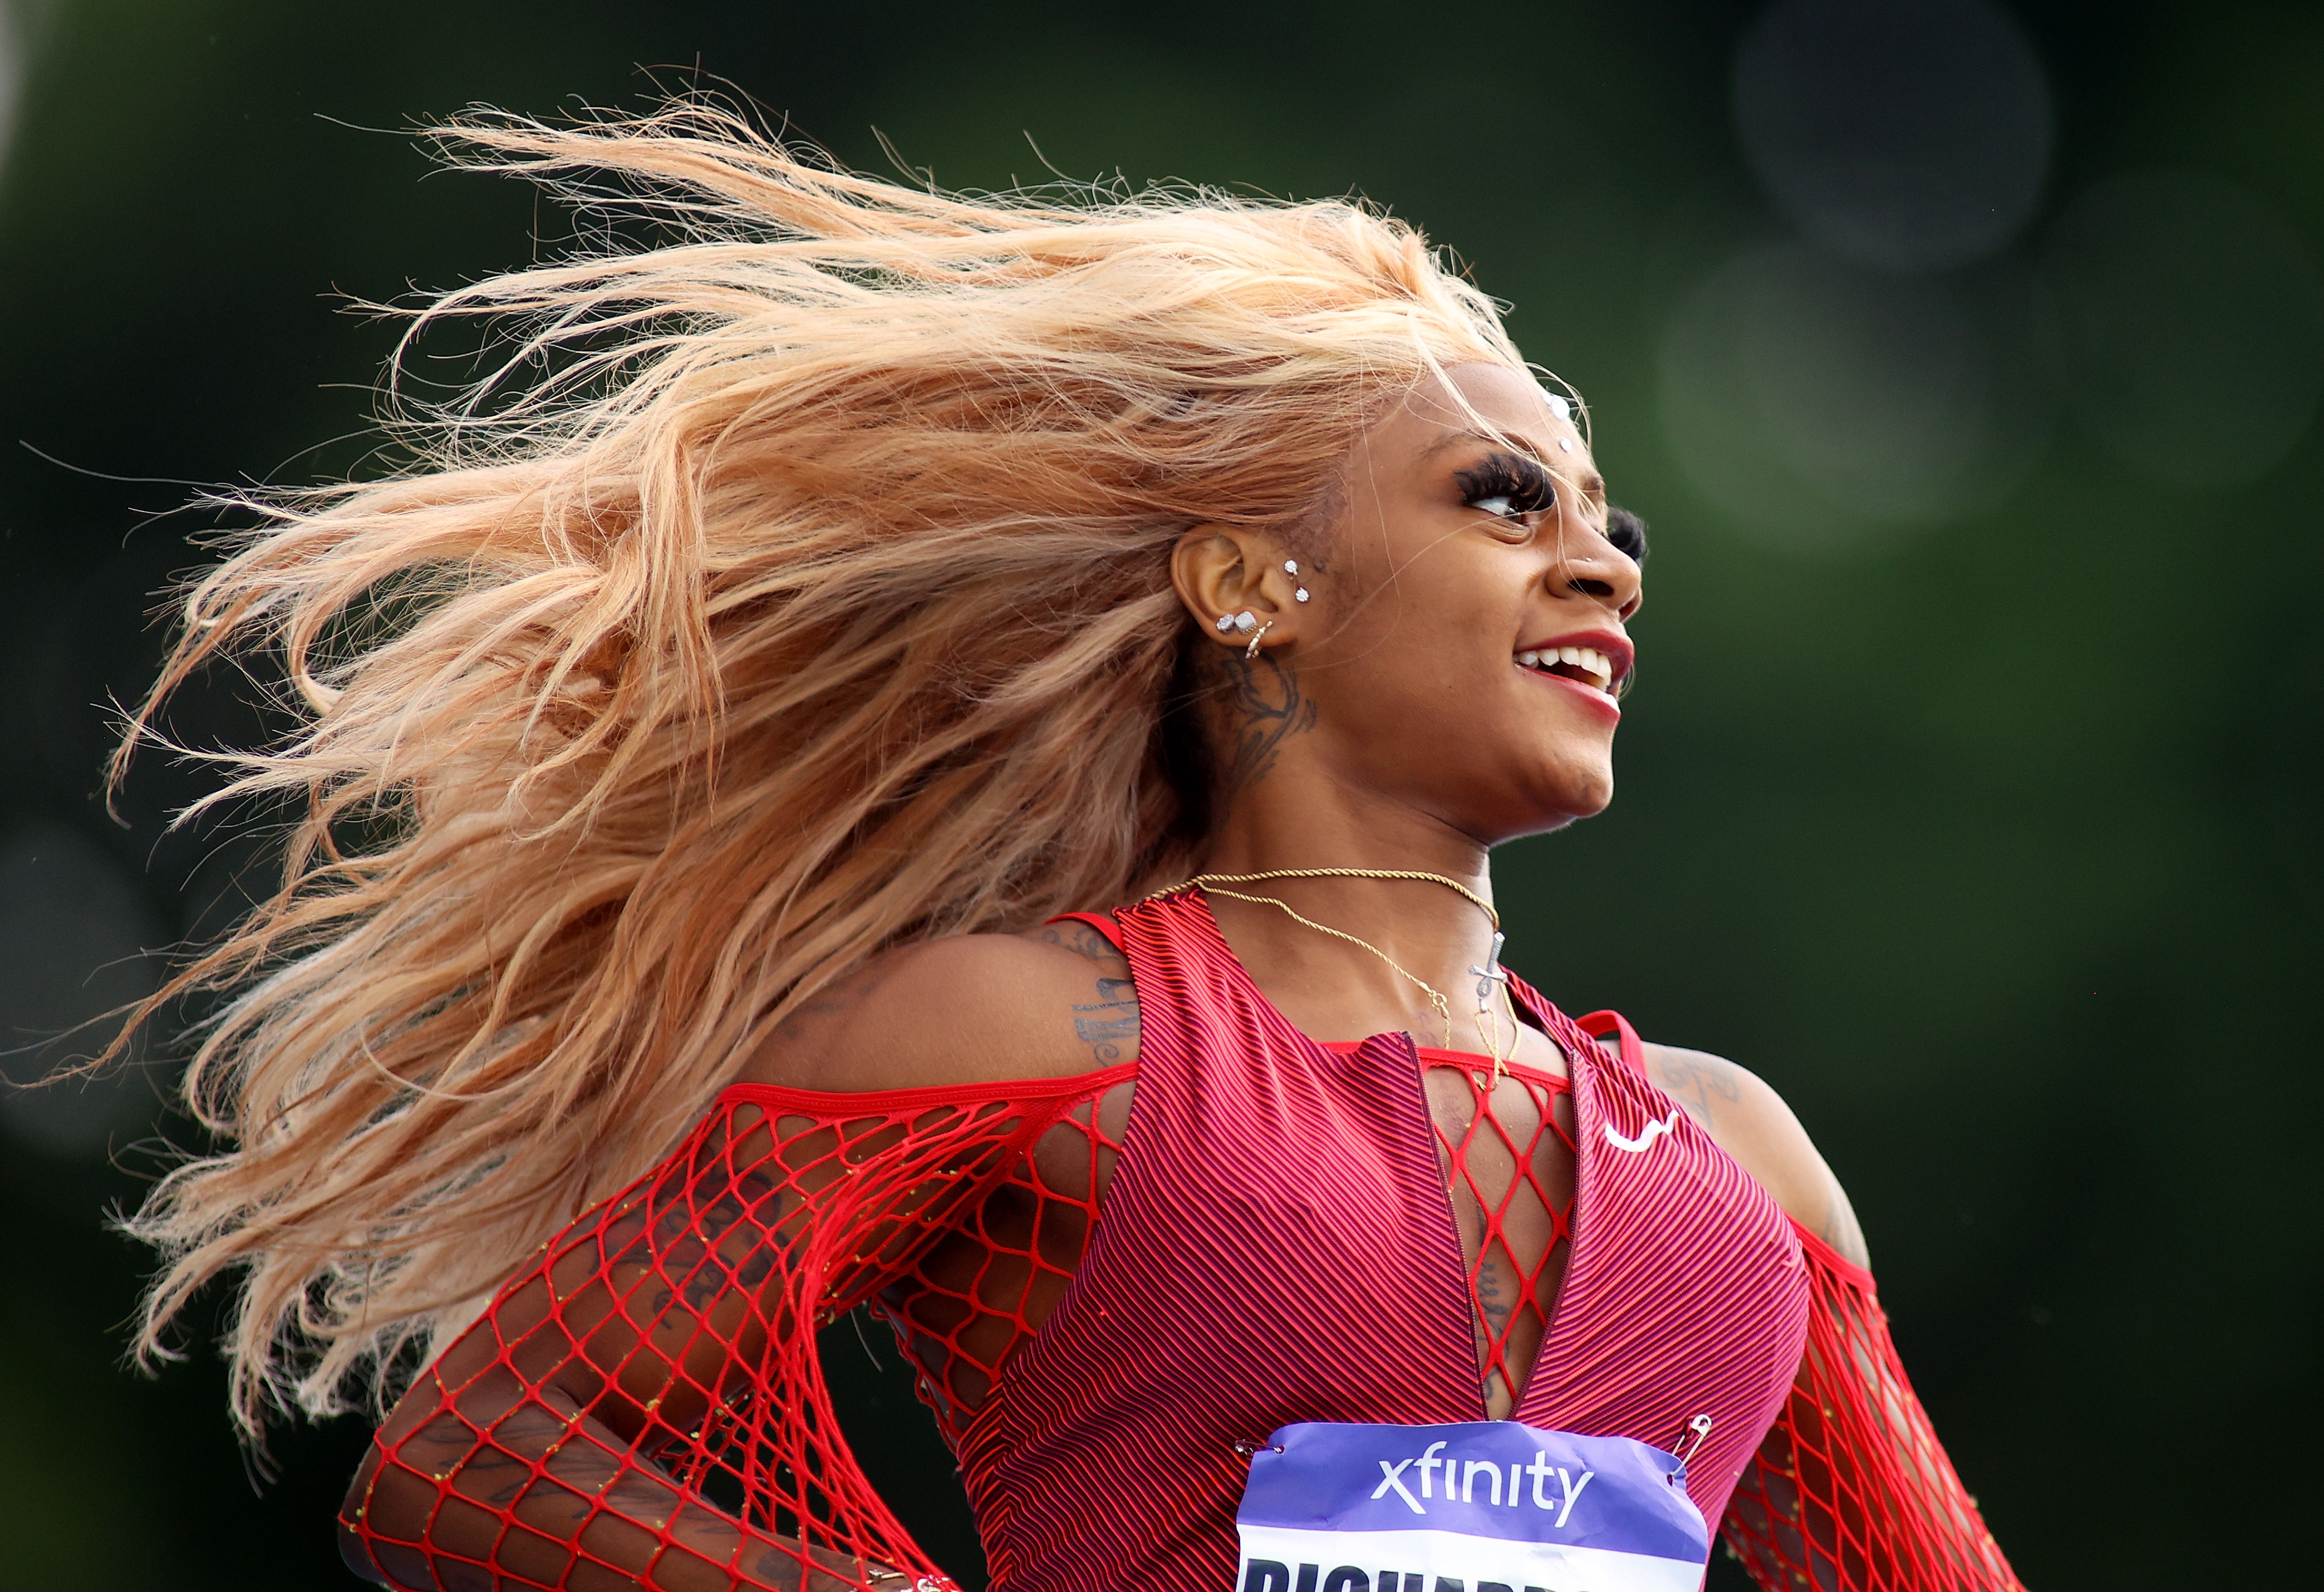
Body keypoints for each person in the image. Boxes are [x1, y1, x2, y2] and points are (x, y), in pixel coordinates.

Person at [116, 105, 2023, 1592]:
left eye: (1609, 522)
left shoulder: (1740, 1166)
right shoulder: (1035, 1037)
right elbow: (494, 1449)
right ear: (1246, 584)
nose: (1602, 562)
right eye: (1501, 496)